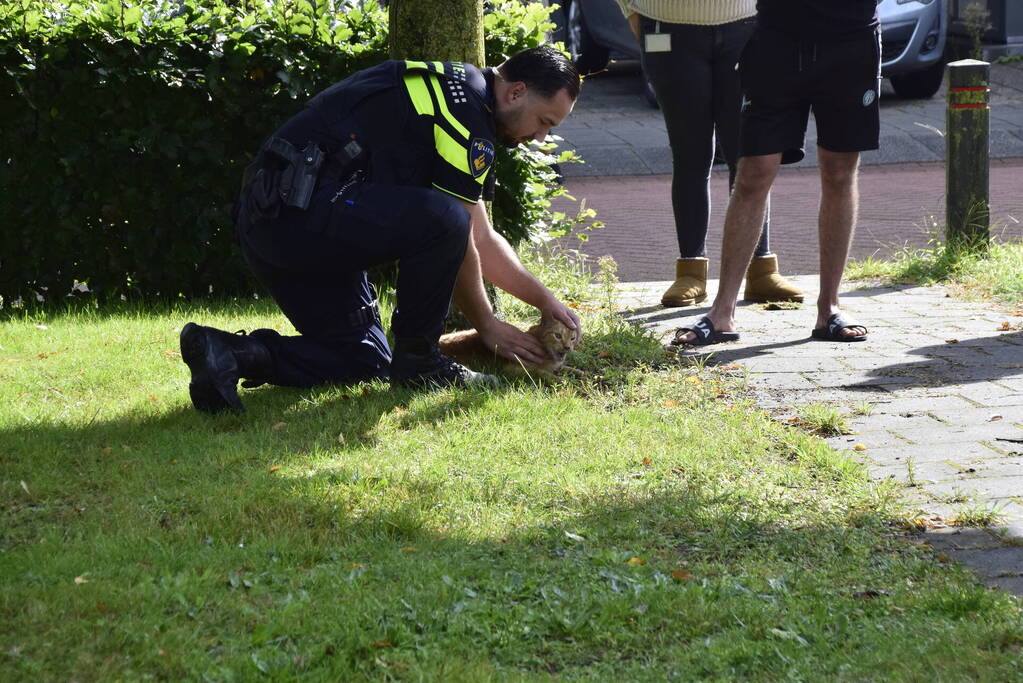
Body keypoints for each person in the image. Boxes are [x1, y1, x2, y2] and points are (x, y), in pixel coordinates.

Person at [179, 46, 582, 414]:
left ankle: (230, 353)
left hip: (278, 222)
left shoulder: (458, 95)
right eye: (544, 121)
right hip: (297, 217)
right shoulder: (465, 113)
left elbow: (481, 236)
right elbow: (459, 235)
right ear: (516, 92)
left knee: (366, 358)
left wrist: (545, 302)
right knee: (442, 219)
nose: (539, 137)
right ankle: (422, 363)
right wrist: (488, 325)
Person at [673, 0, 879, 346]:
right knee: (753, 170)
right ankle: (722, 312)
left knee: (839, 170)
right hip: (777, 40)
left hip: (851, 39)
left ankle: (829, 308)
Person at [617, 0, 803, 308]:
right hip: (665, 25)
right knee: (690, 153)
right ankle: (690, 270)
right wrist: (630, 10)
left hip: (748, 24)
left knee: (750, 155)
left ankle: (760, 270)